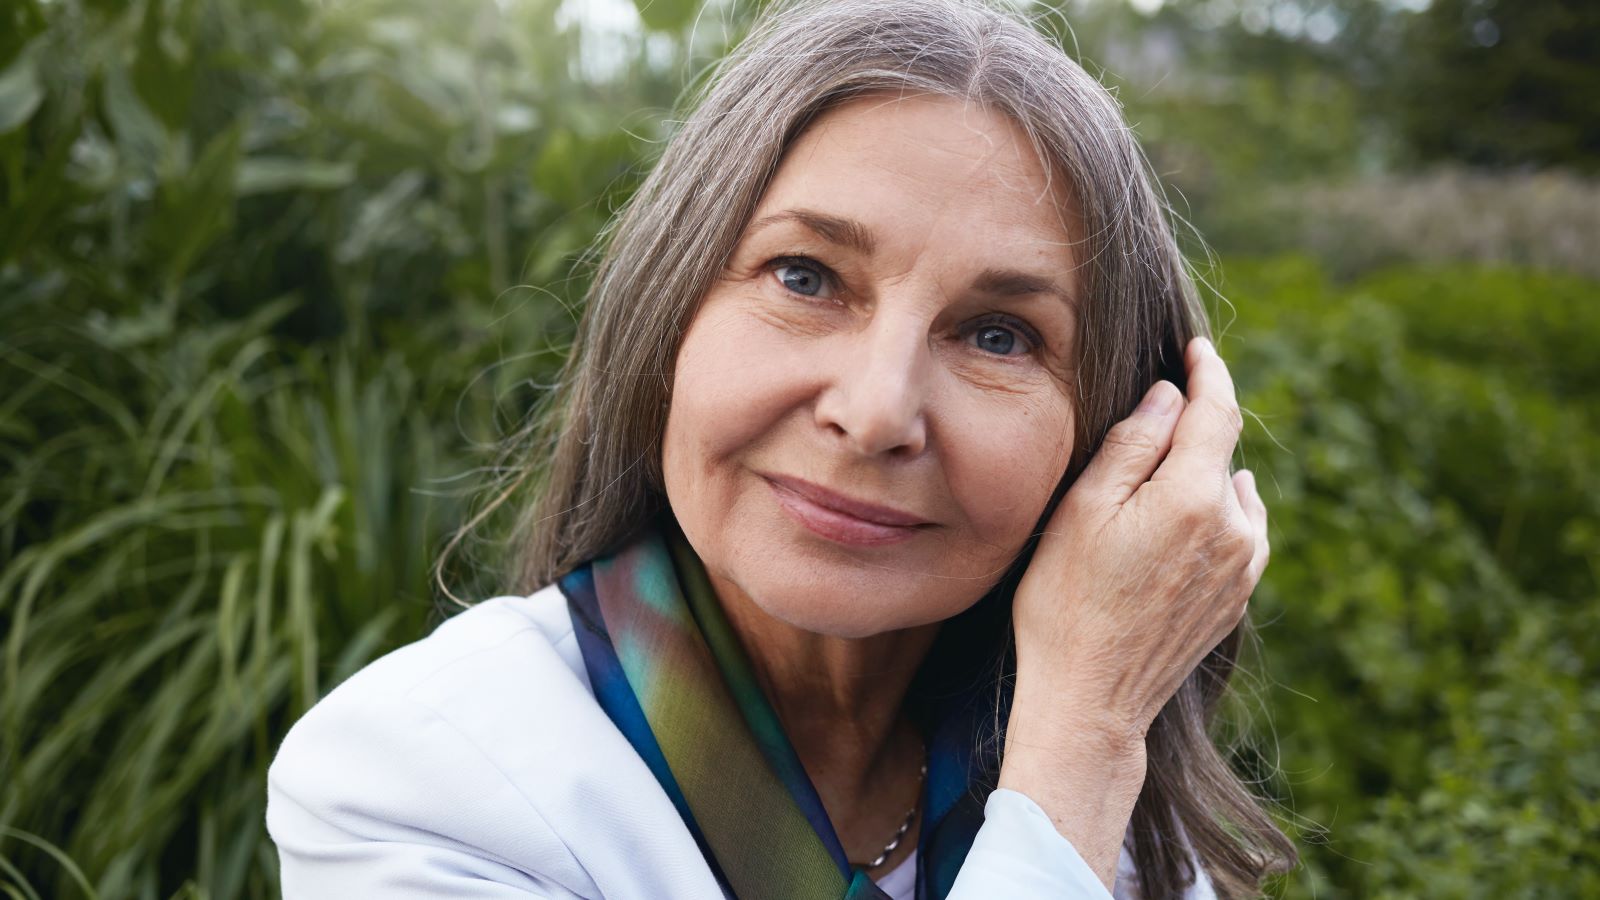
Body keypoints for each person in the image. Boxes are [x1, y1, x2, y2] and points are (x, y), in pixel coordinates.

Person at [265, 0, 1297, 897]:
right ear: (665, 315)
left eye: (997, 336)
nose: (876, 410)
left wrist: (1084, 739)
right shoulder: (422, 782)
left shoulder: (1107, 812)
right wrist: (1080, 747)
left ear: (1125, 436)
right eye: (804, 277)